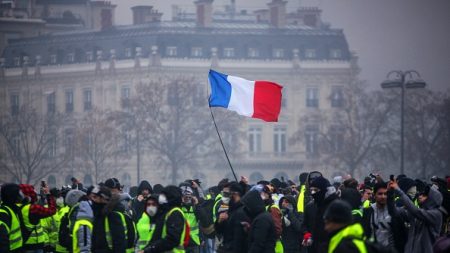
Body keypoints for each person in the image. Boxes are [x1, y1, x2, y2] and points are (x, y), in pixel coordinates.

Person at [388, 179, 443, 253]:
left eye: (424, 195)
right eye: (420, 194)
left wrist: (399, 191)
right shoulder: (417, 213)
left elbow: (416, 212)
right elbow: (393, 210)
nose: (420, 196)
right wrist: (390, 193)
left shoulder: (436, 214)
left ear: (433, 199)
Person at [142, 185, 187, 253]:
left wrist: (151, 249)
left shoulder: (175, 213)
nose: (161, 197)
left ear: (171, 196)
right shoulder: (168, 212)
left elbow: (172, 239)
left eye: (164, 195)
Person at [302, 176, 338, 253]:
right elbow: (304, 224)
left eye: (316, 190)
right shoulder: (310, 206)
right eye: (311, 190)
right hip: (314, 247)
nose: (313, 193)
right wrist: (308, 236)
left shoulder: (335, 205)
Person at [19, 183, 57, 253]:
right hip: (35, 245)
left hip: (22, 244)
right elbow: (52, 210)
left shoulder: (15, 206)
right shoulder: (32, 208)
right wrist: (48, 194)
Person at [91, 185, 129, 253]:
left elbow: (119, 243)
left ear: (103, 198)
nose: (92, 200)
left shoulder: (113, 216)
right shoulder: (98, 215)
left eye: (95, 197)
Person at [0, 183, 24, 253]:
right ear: (12, 196)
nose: (20, 196)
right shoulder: (3, 213)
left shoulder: (13, 209)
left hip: (17, 249)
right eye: (18, 194)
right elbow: (2, 240)